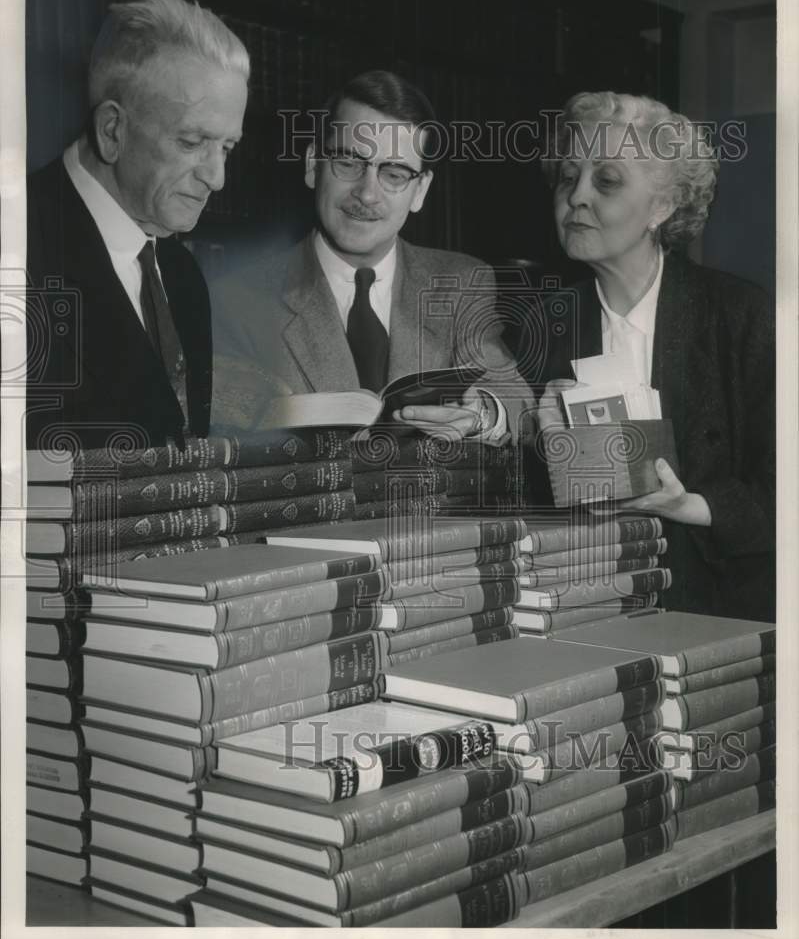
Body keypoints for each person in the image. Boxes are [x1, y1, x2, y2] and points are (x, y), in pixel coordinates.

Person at [535, 91, 775, 620]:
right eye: (567, 176)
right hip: (587, 613)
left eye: (608, 181)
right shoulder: (542, 323)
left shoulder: (740, 314)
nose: (577, 197)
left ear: (662, 207)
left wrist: (689, 505)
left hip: (720, 616)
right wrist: (542, 444)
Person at [212, 70, 534, 443]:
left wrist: (482, 415)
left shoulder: (459, 283)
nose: (367, 194)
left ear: (420, 191)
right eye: (349, 163)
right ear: (314, 164)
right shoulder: (239, 301)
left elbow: (520, 403)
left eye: (394, 173)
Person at [26, 0, 249, 450]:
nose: (217, 178)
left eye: (226, 148)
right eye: (192, 142)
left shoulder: (183, 276)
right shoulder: (16, 244)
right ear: (113, 131)